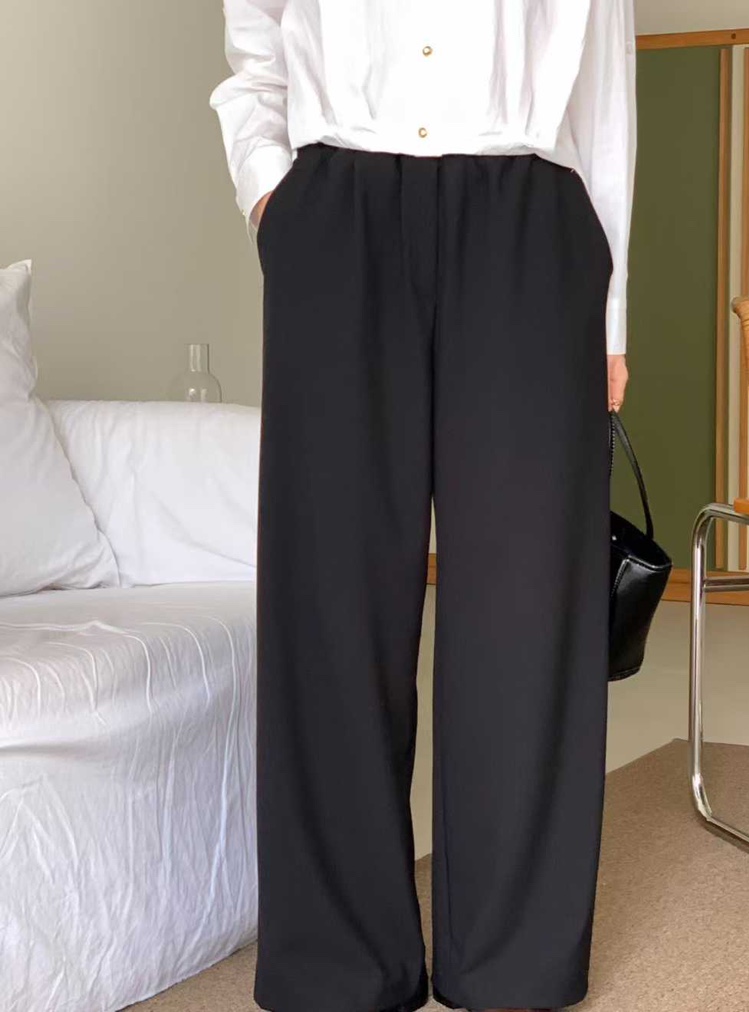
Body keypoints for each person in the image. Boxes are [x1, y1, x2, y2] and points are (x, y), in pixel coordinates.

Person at [208, 2, 636, 1010]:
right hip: (336, 209)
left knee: (529, 602)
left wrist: (610, 312)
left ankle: (513, 962)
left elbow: (606, 92)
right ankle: (340, 962)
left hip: (531, 210)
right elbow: (254, 52)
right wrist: (272, 195)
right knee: (331, 597)